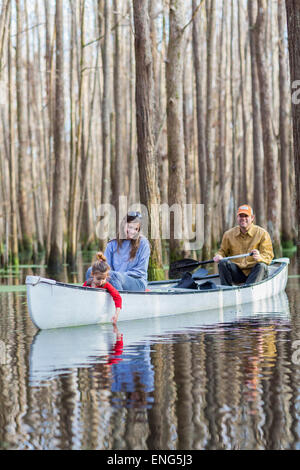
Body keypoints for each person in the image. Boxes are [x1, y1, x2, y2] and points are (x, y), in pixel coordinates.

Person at [86, 211, 151, 292]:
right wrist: (104, 272)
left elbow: (140, 271)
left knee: (114, 276)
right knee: (90, 271)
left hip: (137, 282)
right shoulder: (112, 244)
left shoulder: (143, 244)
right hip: (113, 278)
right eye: (130, 227)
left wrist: (118, 275)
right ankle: (95, 298)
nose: (132, 231)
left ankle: (121, 302)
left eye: (136, 229)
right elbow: (106, 266)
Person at [213, 204, 274, 286]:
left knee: (262, 266)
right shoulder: (228, 234)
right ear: (237, 218)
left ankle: (250, 289)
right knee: (222, 263)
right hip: (238, 273)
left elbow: (269, 256)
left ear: (252, 218)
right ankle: (226, 289)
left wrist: (260, 257)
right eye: (240, 216)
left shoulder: (262, 233)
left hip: (255, 273)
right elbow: (222, 251)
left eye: (246, 216)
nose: (243, 218)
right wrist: (219, 256)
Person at [83, 252, 122, 324]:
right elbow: (82, 295)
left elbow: (117, 297)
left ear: (106, 276)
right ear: (92, 274)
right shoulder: (87, 283)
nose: (101, 282)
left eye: (103, 279)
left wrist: (116, 314)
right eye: (98, 279)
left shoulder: (106, 285)